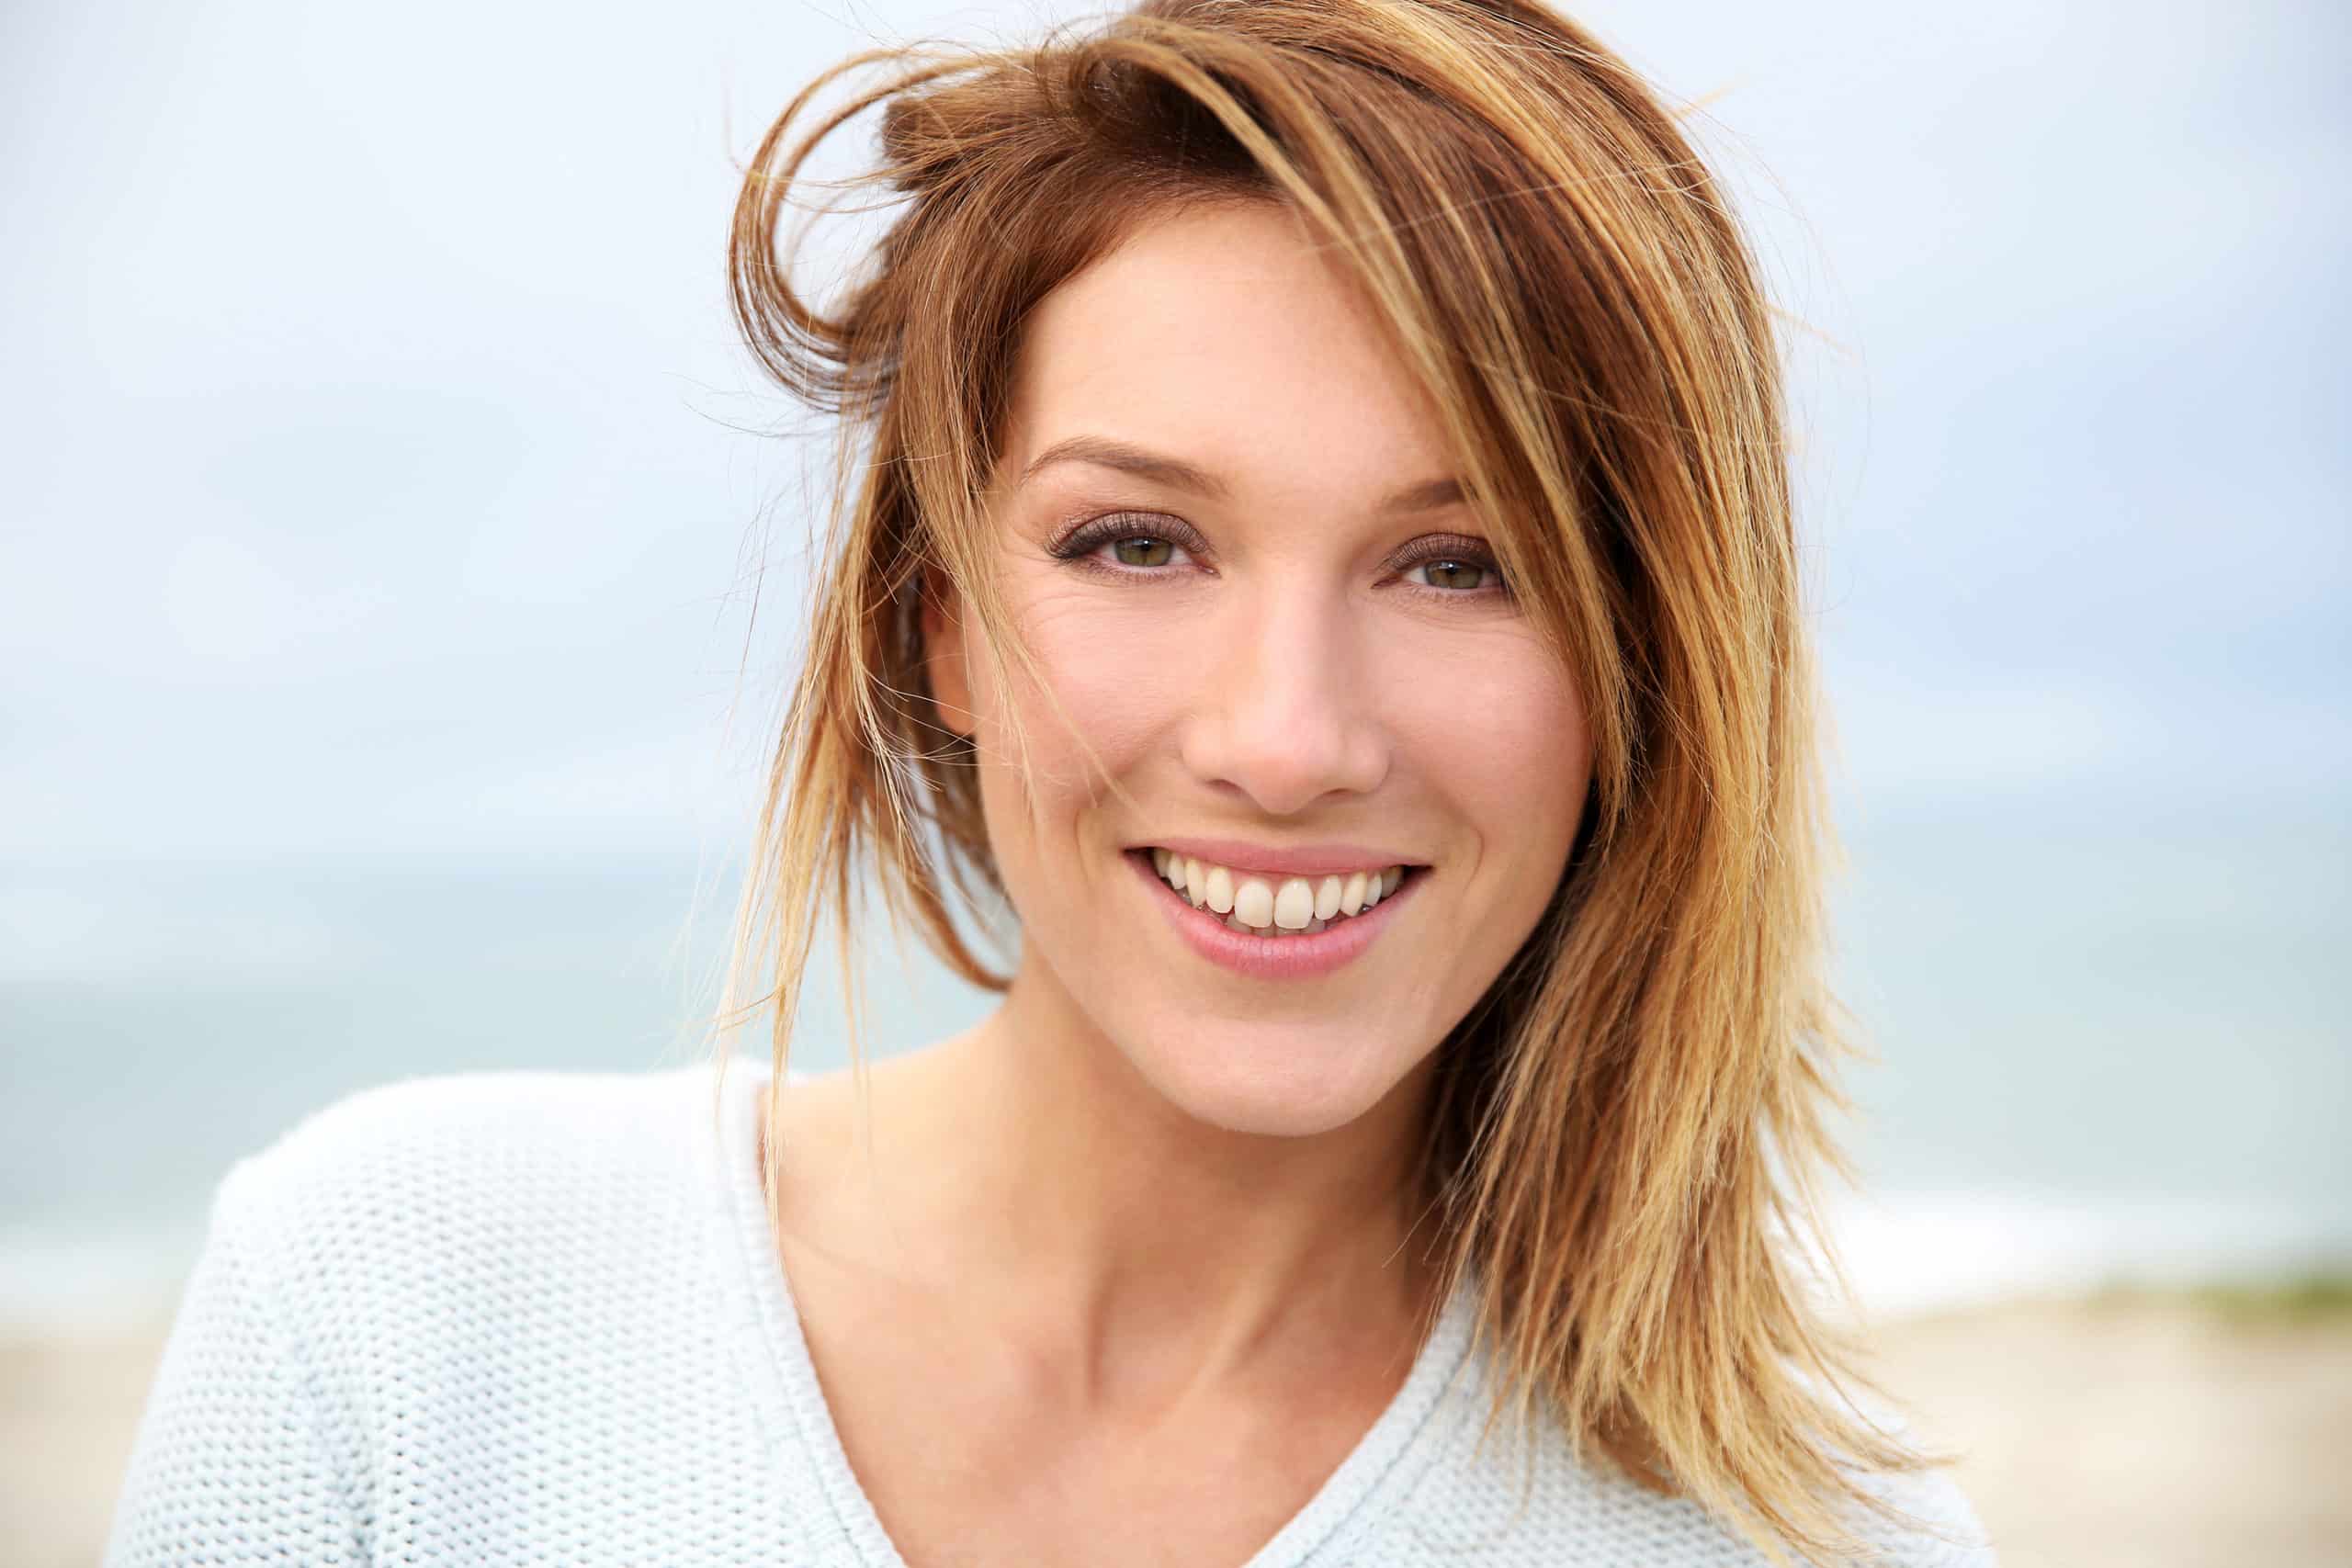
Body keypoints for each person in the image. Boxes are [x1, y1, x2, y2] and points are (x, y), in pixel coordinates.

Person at [106, 2, 1996, 1563]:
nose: (1284, 736)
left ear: (1648, 665)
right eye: (1136, 542)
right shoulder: (393, 1304)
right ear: (932, 619)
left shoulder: (1817, 1540)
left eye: (1459, 562)